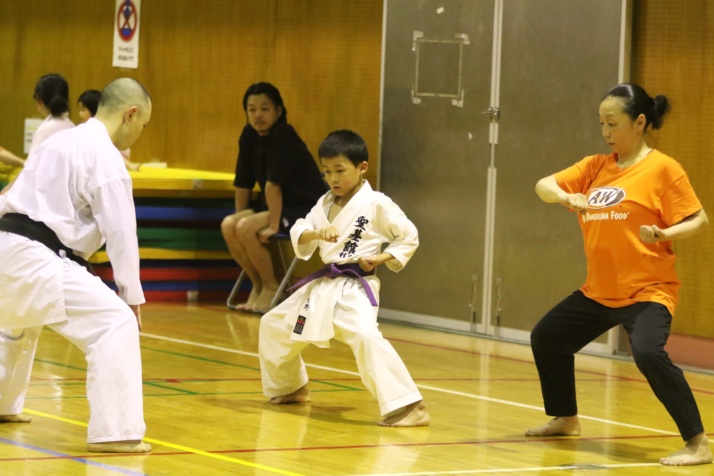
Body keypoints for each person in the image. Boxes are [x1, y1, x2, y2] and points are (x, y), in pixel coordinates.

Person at [526, 83, 712, 466]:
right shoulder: (595, 166)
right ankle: (566, 419)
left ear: (640, 122)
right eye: (601, 124)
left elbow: (699, 219)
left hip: (647, 292)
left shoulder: (663, 168)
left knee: (647, 353)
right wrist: (565, 196)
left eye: (613, 123)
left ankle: (698, 443)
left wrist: (665, 233)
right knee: (547, 338)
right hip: (598, 292)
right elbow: (543, 186)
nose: (606, 132)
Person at [0, 77, 153, 453]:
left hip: (6, 243)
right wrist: (130, 296)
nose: (138, 135)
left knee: (19, 322)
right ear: (130, 114)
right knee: (114, 322)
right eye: (142, 126)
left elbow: (11, 193)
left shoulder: (59, 140)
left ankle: (3, 404)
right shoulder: (105, 157)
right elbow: (121, 231)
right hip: (37, 255)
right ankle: (117, 432)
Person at [259, 130, 429, 427]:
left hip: (354, 287)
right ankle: (291, 387)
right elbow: (302, 229)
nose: (333, 179)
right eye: (326, 172)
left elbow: (408, 235)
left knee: (364, 334)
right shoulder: (324, 203)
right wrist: (316, 232)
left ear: (362, 167)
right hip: (323, 286)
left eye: (340, 170)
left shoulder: (376, 203)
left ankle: (409, 405)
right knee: (274, 325)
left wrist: (382, 257)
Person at [221, 82, 327, 313]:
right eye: (252, 110)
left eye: (265, 109)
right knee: (230, 224)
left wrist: (272, 225)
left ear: (278, 111)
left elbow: (272, 185)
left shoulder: (284, 135)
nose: (258, 115)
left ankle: (271, 286)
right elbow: (242, 183)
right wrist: (239, 215)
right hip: (278, 205)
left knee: (246, 227)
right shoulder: (248, 135)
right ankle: (257, 284)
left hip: (305, 209)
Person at [1, 74, 74, 189]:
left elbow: (30, 170)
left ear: (39, 101)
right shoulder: (71, 126)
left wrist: (8, 189)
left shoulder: (46, 129)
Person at [77, 89, 140, 171]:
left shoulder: (104, 128)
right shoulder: (83, 131)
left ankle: (127, 164)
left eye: (83, 110)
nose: (79, 114)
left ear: (94, 110)